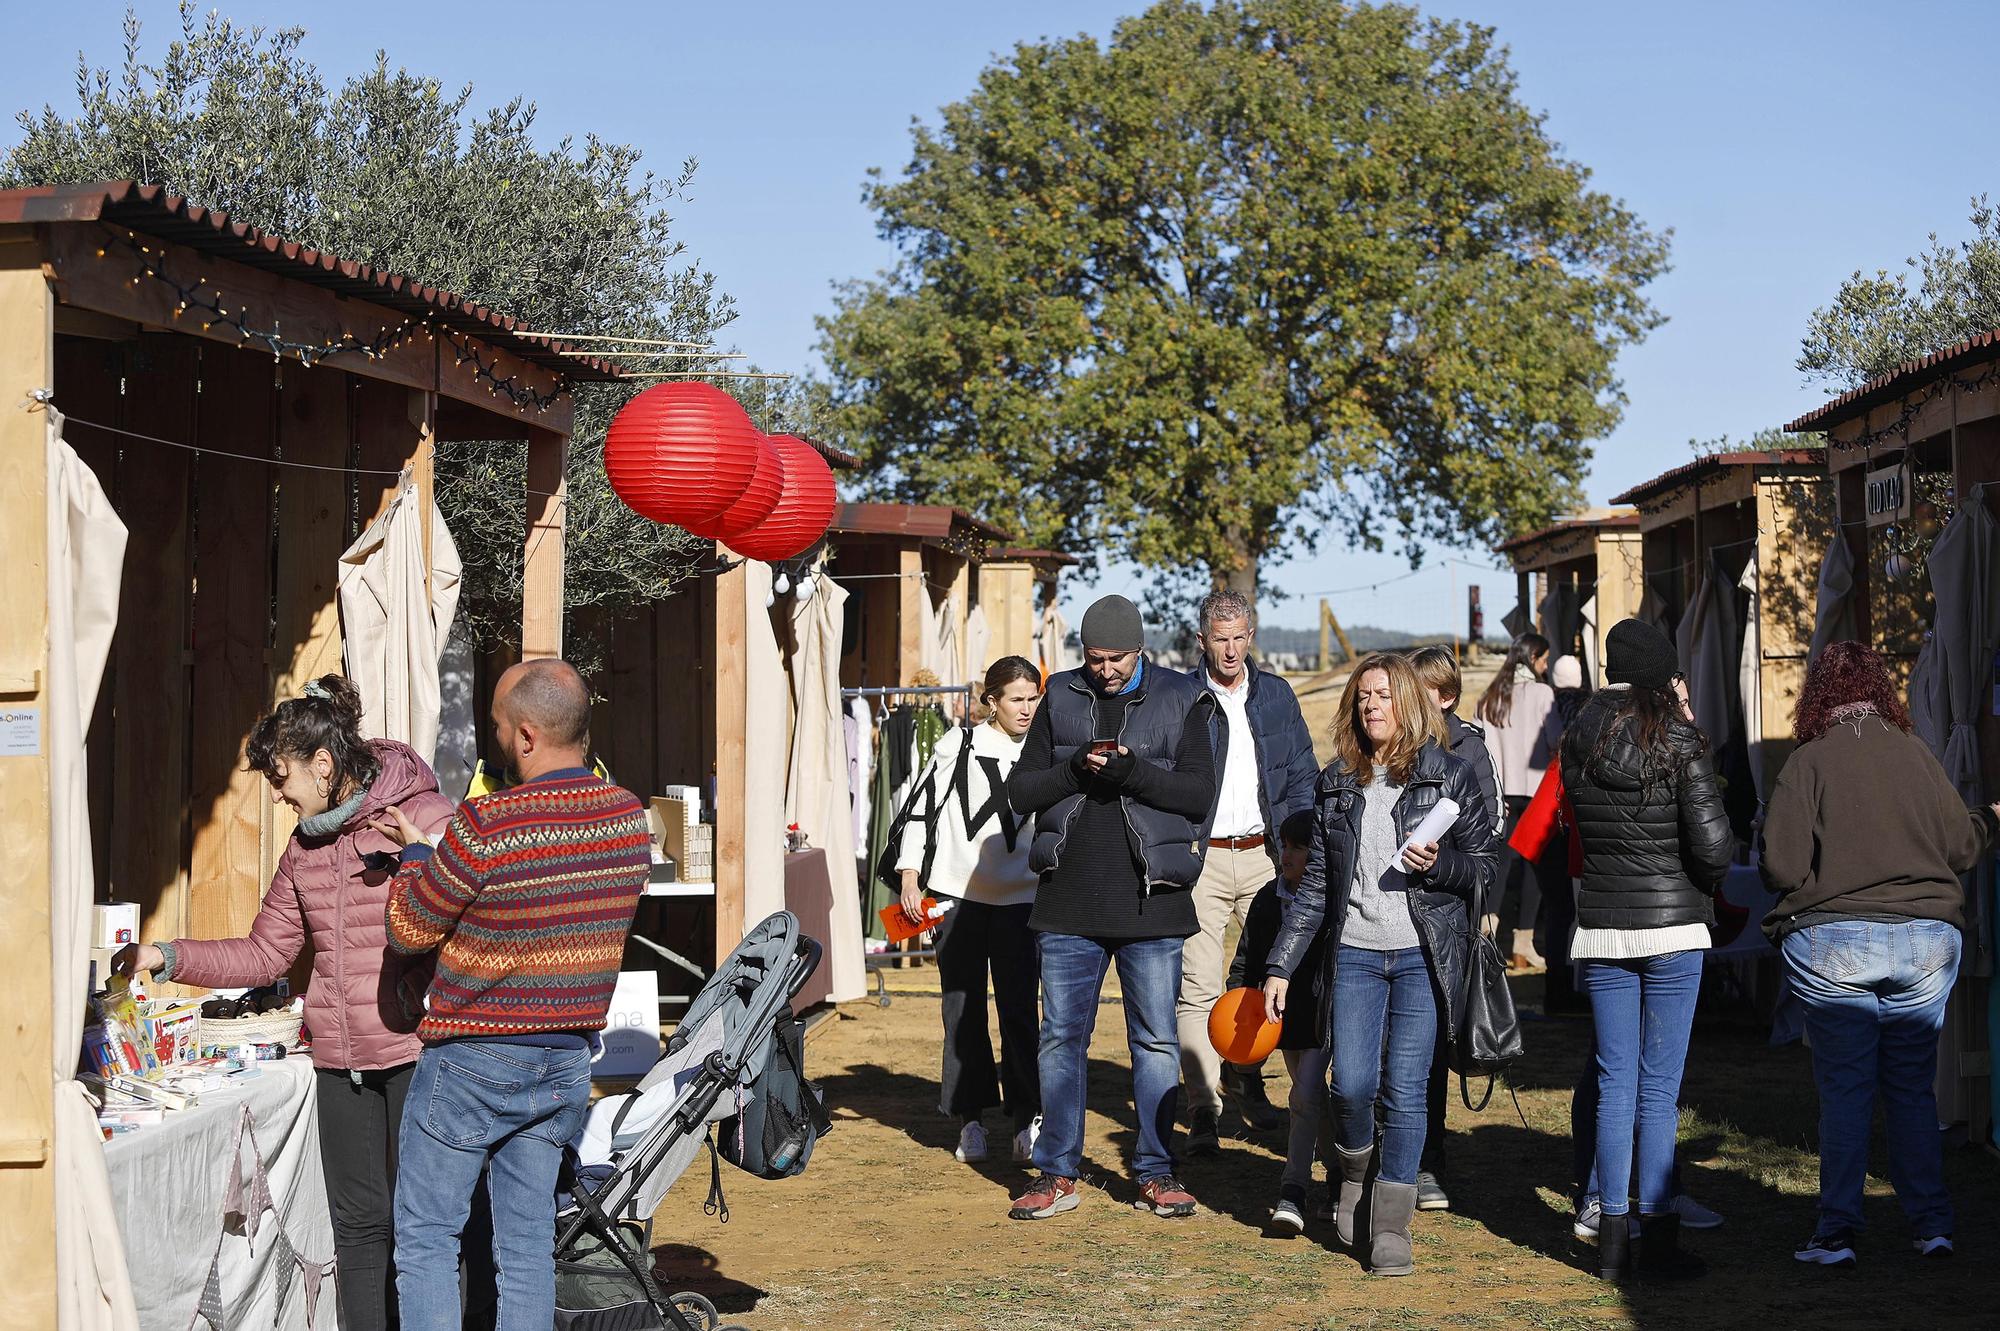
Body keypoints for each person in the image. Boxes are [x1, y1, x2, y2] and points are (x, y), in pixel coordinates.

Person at [113, 674, 452, 1331]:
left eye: (282, 777)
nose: (277, 795)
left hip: (422, 1052)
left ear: (324, 764)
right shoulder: (304, 849)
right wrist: (167, 956)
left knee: (428, 1225)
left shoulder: (425, 816)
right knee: (358, 1230)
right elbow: (265, 953)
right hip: (340, 1064)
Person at [376, 658, 650, 1330]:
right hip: (563, 1061)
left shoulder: (488, 822)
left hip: (472, 1057)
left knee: (427, 1238)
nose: (494, 738)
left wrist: (417, 856)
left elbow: (410, 926)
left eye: (497, 726)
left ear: (527, 735)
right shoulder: (628, 819)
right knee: (526, 1245)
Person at [1760, 641, 1999, 1269]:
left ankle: (1837, 1233)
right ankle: (1932, 1226)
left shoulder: (1806, 761)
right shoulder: (1918, 754)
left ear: (1818, 698)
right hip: (1926, 938)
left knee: (1846, 1090)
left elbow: (1780, 867)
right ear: (1881, 690)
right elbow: (1963, 847)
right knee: (1911, 1090)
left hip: (1832, 942)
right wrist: (1990, 818)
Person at [1261, 653, 1492, 1277]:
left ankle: (1391, 1225)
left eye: (1384, 696)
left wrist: (1439, 866)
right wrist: (1280, 965)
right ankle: (1356, 1174)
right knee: (1353, 1086)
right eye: (1363, 697)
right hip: (1355, 957)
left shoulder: (1449, 776)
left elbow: (1484, 869)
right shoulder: (1337, 781)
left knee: (1405, 1092)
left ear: (1410, 703)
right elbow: (1316, 889)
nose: (1371, 706)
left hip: (1421, 956)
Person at [1003, 595, 1217, 1222]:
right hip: (1068, 900)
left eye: (1116, 659)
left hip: (1154, 901)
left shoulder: (1183, 697)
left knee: (1153, 1041)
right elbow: (1021, 790)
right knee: (1060, 1040)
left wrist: (1132, 773)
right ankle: (1057, 1174)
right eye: (1094, 659)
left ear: (1140, 649)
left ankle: (1156, 1171)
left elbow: (1198, 793)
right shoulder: (1060, 695)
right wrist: (1073, 767)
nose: (1104, 670)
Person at [1561, 619, 1731, 1283]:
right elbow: (1715, 847)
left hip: (1602, 923)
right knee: (1658, 1091)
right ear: (1661, 671)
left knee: (1613, 1081)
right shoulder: (1680, 736)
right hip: (1674, 927)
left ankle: (1610, 1240)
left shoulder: (1578, 733)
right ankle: (1657, 1238)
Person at [1178, 589, 1318, 1151]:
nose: (1230, 649)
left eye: (1239, 637)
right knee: (1198, 985)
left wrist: (1300, 847)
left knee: (1269, 978)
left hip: (1268, 856)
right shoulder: (1180, 697)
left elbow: (1304, 773)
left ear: (1251, 637)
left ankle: (1249, 1078)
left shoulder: (1278, 696)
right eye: (1220, 639)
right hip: (1201, 857)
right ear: (1202, 641)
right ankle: (1204, 1107)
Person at [896, 655, 1045, 1166]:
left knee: (1021, 1010)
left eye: (1033, 698)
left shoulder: (1046, 750)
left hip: (1023, 900)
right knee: (962, 1012)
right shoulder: (956, 744)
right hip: (957, 897)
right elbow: (920, 809)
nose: (1026, 709)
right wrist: (910, 876)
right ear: (991, 701)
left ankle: (1028, 1117)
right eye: (1016, 699)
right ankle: (972, 1120)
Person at [1405, 644, 1502, 1213]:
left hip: (1447, 915)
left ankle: (1428, 1160)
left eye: (1420, 695)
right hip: (1391, 915)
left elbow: (1488, 841)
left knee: (1437, 1041)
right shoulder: (1394, 747)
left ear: (1444, 697)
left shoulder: (1469, 753)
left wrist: (1479, 901)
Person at [1229, 812, 1331, 1233]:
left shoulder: (1334, 899)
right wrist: (1236, 1003)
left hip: (1326, 1014)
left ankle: (1293, 1190)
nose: (1285, 855)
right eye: (1283, 845)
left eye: (1298, 848)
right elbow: (1247, 960)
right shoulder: (1267, 900)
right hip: (1284, 1022)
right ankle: (1345, 1176)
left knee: (1305, 1097)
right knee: (1311, 1099)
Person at [1478, 632, 1561, 971]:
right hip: (1537, 792)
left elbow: (1484, 747)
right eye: (1544, 660)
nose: (1546, 666)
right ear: (1535, 658)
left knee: (1501, 866)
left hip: (1501, 790)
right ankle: (1524, 944)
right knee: (1533, 869)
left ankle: (1486, 938)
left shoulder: (1491, 695)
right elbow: (1556, 739)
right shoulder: (1543, 693)